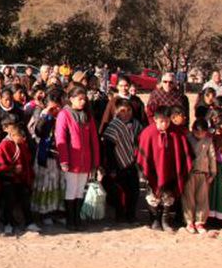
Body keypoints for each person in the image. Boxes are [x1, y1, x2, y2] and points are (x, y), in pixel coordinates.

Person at [136, 108, 192, 232]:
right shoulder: (148, 133)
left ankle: (165, 220)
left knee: (168, 196)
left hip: (170, 171)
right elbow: (143, 155)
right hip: (153, 172)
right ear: (155, 120)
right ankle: (154, 219)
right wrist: (144, 172)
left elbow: (183, 153)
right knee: (153, 196)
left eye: (167, 121)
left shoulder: (176, 133)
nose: (165, 124)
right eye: (162, 121)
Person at [55, 86, 100, 231]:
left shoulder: (88, 115)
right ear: (72, 99)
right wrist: (64, 159)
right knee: (71, 190)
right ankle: (70, 220)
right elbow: (60, 137)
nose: (83, 102)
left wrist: (95, 161)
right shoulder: (64, 114)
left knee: (80, 190)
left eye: (84, 99)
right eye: (80, 99)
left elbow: (94, 139)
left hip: (85, 159)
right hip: (71, 159)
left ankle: (77, 218)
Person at [100, 98, 143, 223]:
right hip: (117, 163)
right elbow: (108, 148)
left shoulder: (136, 124)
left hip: (132, 162)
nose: (126, 113)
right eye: (123, 110)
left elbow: (140, 141)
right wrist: (112, 167)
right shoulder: (113, 126)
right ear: (117, 112)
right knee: (118, 191)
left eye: (129, 110)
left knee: (134, 190)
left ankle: (131, 215)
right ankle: (119, 214)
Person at [0, 114, 36, 235]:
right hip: (7, 178)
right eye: (21, 137)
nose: (23, 139)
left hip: (20, 178)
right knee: (9, 201)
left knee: (25, 199)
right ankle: (8, 224)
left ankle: (29, 222)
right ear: (13, 135)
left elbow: (26, 160)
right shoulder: (4, 145)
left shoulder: (22, 144)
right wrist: (12, 169)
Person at [29, 90, 65, 225]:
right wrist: (46, 115)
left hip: (60, 154)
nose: (55, 109)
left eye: (57, 107)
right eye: (53, 107)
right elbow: (37, 131)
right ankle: (45, 213)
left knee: (60, 183)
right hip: (46, 153)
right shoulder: (41, 113)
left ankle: (58, 211)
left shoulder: (63, 116)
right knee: (46, 183)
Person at [184, 119, 217, 234]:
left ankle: (200, 221)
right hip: (189, 173)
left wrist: (213, 172)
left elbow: (212, 157)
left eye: (202, 132)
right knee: (189, 199)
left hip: (203, 173)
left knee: (202, 199)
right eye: (197, 132)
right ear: (193, 130)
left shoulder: (208, 141)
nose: (199, 135)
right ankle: (189, 221)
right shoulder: (187, 139)